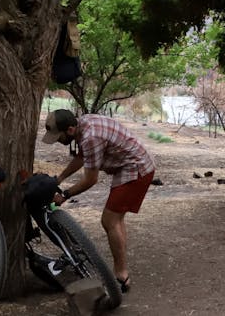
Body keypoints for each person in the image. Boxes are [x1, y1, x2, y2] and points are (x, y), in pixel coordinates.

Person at [41, 108, 155, 293]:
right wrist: (59, 178)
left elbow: (90, 180)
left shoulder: (91, 137)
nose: (58, 142)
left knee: (109, 220)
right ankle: (121, 268)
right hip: (128, 166)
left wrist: (65, 195)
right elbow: (82, 156)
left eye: (58, 137)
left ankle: (121, 276)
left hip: (136, 169)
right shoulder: (84, 123)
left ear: (70, 130)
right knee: (116, 220)